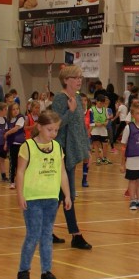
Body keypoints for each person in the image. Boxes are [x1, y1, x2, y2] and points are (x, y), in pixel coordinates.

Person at [16, 110, 71, 279]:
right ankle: (23, 271)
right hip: (32, 198)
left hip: (51, 198)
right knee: (33, 235)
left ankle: (46, 272)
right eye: (50, 129)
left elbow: (62, 172)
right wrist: (20, 194)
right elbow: (20, 172)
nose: (53, 133)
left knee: (47, 236)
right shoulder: (28, 146)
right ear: (39, 127)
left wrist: (67, 194)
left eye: (56, 130)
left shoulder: (57, 147)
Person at [51, 64, 93, 250]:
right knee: (67, 192)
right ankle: (75, 234)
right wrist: (71, 110)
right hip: (62, 151)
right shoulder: (60, 99)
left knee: (61, 194)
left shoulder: (77, 98)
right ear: (66, 80)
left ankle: (47, 229)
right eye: (76, 77)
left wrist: (86, 149)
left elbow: (81, 126)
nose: (79, 80)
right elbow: (55, 125)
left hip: (73, 150)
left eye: (80, 77)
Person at [6, 102, 26, 188]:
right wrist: (6, 143)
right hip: (12, 144)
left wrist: (7, 133)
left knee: (20, 163)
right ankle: (12, 181)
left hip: (20, 144)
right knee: (12, 163)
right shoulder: (9, 120)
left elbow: (16, 128)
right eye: (13, 109)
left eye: (17, 109)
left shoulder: (20, 118)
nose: (15, 111)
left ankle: (20, 180)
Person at [89, 94, 111, 165]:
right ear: (96, 101)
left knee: (105, 144)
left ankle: (104, 158)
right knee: (96, 144)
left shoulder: (105, 109)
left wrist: (106, 122)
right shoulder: (91, 109)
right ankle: (98, 158)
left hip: (103, 130)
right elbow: (89, 120)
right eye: (100, 103)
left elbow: (107, 118)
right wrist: (95, 124)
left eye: (102, 103)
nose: (101, 104)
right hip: (95, 130)